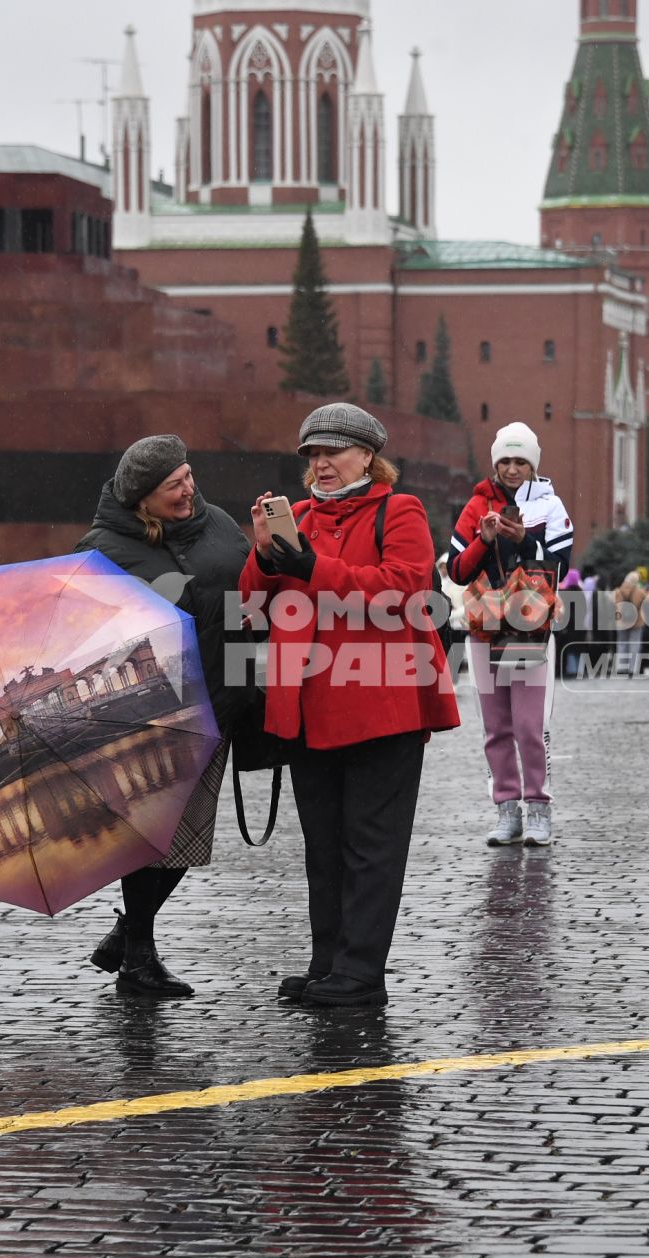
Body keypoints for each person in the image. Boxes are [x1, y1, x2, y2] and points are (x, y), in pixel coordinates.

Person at [241, 403, 461, 1006]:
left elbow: (405, 590)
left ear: (367, 456)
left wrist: (314, 567)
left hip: (381, 705)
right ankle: (328, 963)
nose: (320, 464)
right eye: (312, 454)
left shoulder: (401, 509)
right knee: (324, 845)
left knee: (371, 845)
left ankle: (361, 973)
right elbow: (252, 606)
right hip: (308, 706)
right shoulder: (300, 516)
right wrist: (263, 557)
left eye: (332, 452)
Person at [76, 434, 252, 997]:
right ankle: (139, 959)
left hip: (221, 701)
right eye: (173, 486)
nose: (188, 491)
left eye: (188, 476)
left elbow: (252, 592)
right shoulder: (105, 547)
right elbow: (92, 635)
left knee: (188, 834)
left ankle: (130, 937)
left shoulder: (218, 523)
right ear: (142, 500)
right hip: (149, 717)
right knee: (148, 835)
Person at [448, 422, 574, 846]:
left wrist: (525, 543)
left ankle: (538, 807)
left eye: (521, 461)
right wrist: (483, 540)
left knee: (529, 726)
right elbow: (457, 570)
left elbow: (560, 565)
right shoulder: (475, 506)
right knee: (496, 727)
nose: (513, 468)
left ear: (533, 464)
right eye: (506, 460)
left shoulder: (550, 507)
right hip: (484, 627)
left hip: (530, 627)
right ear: (495, 462)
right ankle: (507, 810)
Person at [612, 569, 649, 676]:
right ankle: (632, 668)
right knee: (635, 644)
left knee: (622, 643)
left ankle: (621, 667)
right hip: (636, 621)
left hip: (622, 621)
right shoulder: (639, 591)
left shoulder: (618, 590)